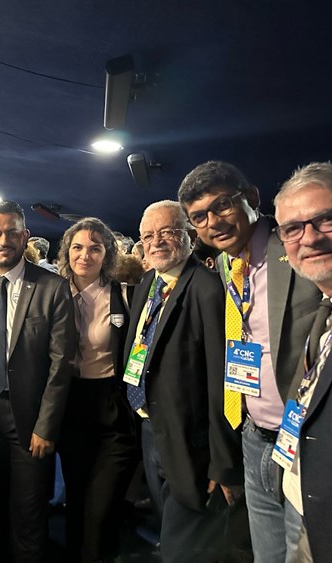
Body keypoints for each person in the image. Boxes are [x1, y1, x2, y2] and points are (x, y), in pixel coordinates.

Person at [178, 161, 319, 561]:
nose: (213, 222)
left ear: (252, 198)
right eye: (199, 217)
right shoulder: (225, 264)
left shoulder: (293, 247)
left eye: (222, 205)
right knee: (267, 555)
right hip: (254, 436)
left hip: (303, 442)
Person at [123, 200, 242, 562]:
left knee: (186, 547)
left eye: (167, 232)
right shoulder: (147, 283)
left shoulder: (207, 289)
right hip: (149, 429)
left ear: (189, 236)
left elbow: (222, 381)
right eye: (148, 236)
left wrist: (222, 463)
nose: (156, 241)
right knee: (168, 531)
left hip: (192, 444)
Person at [0, 200, 77, 563]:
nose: (4, 240)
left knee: (27, 517)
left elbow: (62, 364)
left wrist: (46, 426)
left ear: (25, 236)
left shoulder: (52, 287)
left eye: (12, 232)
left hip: (28, 420)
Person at [56, 217, 138, 562]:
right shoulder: (51, 291)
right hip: (70, 406)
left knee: (102, 507)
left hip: (112, 409)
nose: (85, 255)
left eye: (95, 248)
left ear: (107, 253)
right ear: (67, 252)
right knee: (76, 499)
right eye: (77, 247)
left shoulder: (124, 293)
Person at [272, 162, 332, 561]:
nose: (308, 237)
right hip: (308, 508)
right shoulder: (321, 316)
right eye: (292, 228)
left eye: (325, 219)